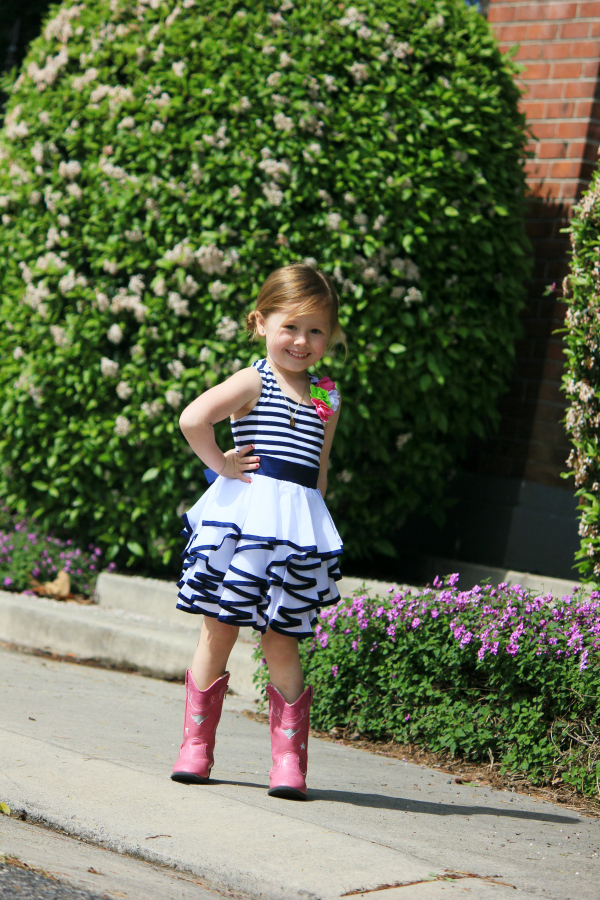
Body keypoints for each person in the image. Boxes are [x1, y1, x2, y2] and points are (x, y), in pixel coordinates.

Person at [171, 263, 344, 800]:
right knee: (218, 629)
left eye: (316, 330)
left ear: (331, 336)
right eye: (290, 326)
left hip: (293, 530)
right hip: (245, 526)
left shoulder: (327, 394)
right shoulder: (254, 379)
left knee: (281, 639)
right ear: (261, 322)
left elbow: (320, 466)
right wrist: (221, 465)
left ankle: (289, 762)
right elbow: (193, 418)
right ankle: (195, 749)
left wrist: (314, 521)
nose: (302, 340)